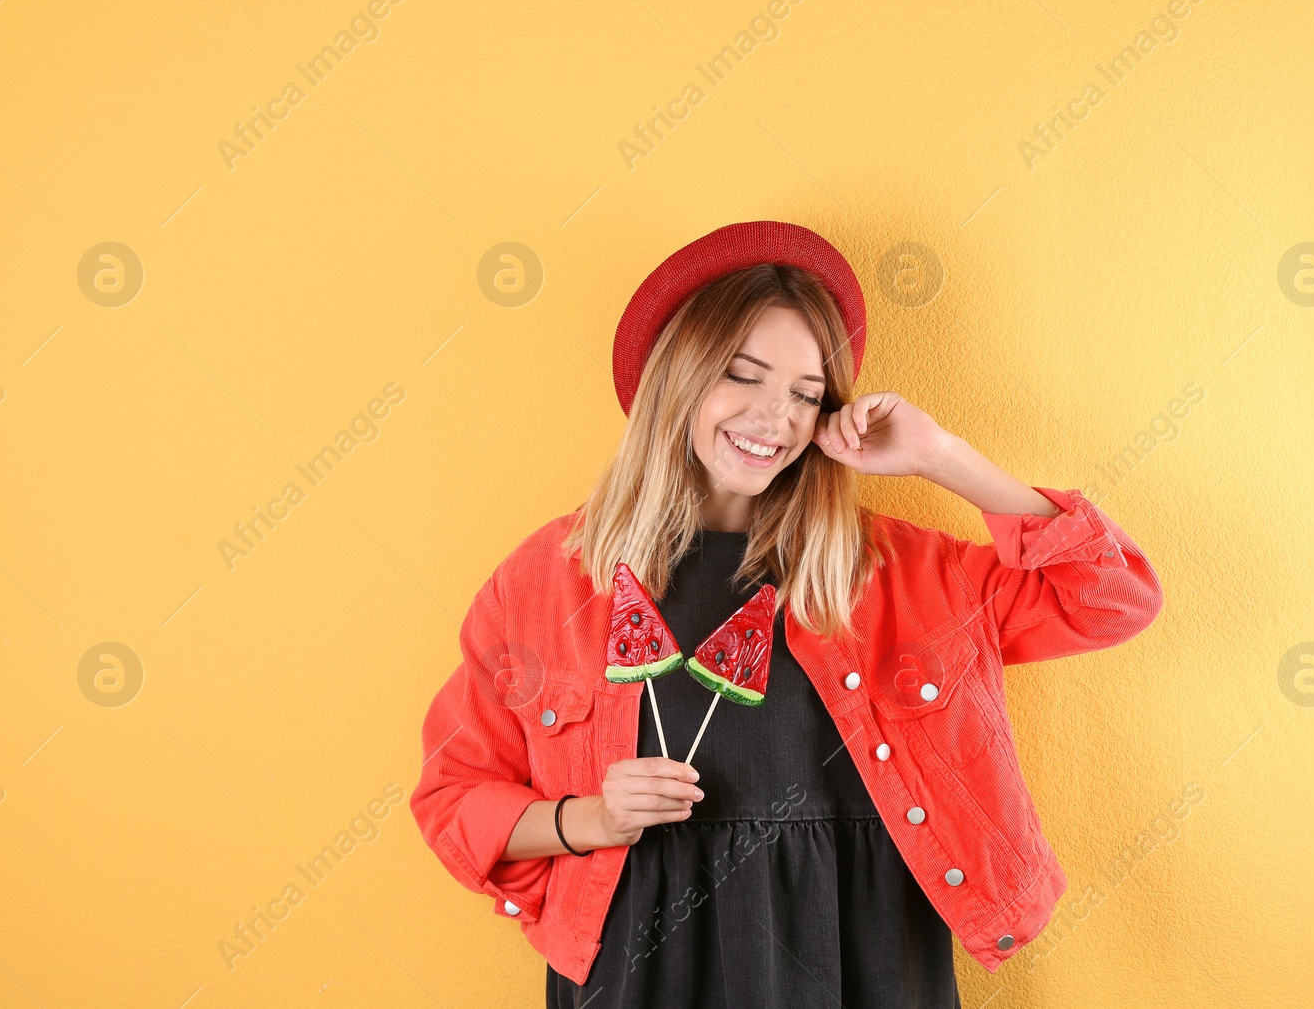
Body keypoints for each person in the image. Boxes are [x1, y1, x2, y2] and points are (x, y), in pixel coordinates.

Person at [410, 221, 1164, 1007]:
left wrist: (941, 455)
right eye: (742, 374)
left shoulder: (896, 571)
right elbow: (454, 798)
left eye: (806, 395)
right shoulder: (547, 578)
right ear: (679, 374)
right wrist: (591, 818)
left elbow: (1113, 596)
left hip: (858, 952)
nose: (775, 417)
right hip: (642, 962)